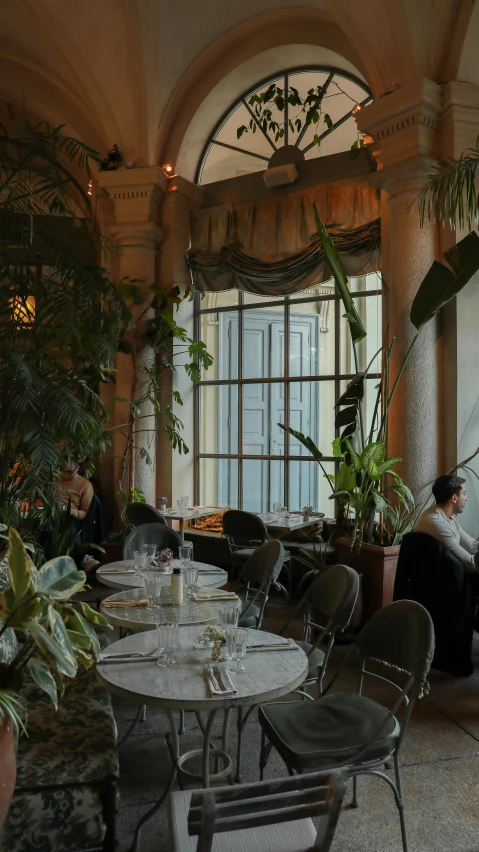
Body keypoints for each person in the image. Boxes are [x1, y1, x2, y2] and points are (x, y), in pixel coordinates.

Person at [415, 475, 479, 573]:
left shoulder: (449, 516)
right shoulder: (436, 522)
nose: (466, 499)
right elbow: (470, 564)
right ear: (454, 498)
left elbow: (472, 546)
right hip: (440, 581)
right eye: (464, 494)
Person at [59, 457, 99, 571]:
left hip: (72, 517)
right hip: (50, 515)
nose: (66, 475)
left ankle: (82, 558)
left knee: (67, 523)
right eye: (63, 470)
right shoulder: (55, 479)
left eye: (69, 472)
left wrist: (72, 511)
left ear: (77, 468)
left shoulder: (85, 485)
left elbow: (85, 514)